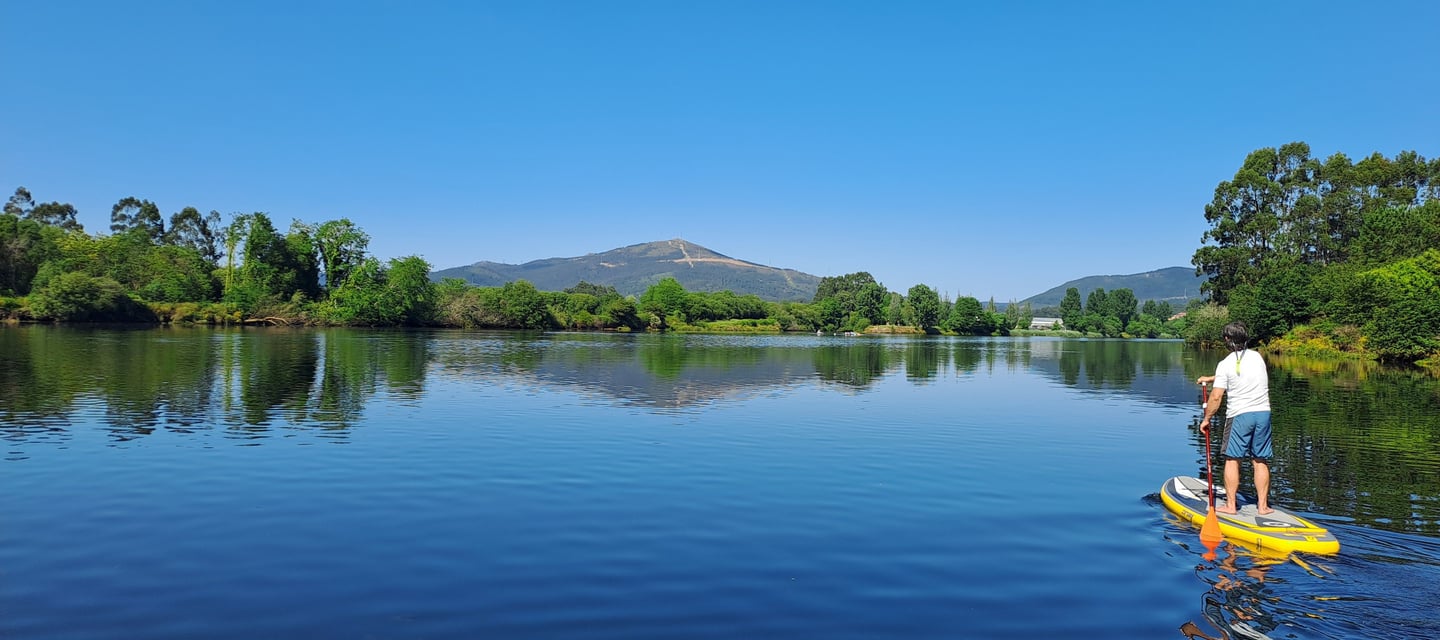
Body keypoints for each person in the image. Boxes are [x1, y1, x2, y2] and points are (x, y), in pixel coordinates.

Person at [1196, 322, 1273, 515]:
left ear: (1227, 340)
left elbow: (1216, 397)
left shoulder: (1226, 364)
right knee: (1260, 460)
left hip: (1240, 416)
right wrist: (1211, 378)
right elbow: (1240, 373)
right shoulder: (1257, 357)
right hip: (1263, 414)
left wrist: (1207, 419)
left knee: (1232, 459)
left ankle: (1230, 506)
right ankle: (1263, 507)